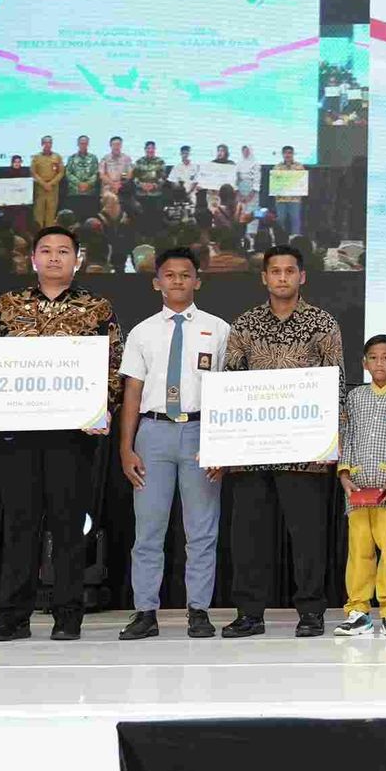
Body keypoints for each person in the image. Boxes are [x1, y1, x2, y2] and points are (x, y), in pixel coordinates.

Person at [0, 226, 122, 642]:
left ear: (77, 259)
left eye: (63, 251)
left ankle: (68, 615)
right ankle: (13, 617)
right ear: (33, 258)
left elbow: (114, 365)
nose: (54, 257)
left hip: (72, 434)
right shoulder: (7, 305)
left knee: (68, 525)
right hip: (16, 432)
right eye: (46, 250)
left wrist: (103, 409)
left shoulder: (97, 308)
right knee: (20, 525)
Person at [220, 245, 345, 639]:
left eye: (290, 271)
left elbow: (337, 385)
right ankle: (249, 614)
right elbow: (229, 386)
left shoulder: (322, 323)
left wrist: (333, 442)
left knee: (308, 537)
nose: (282, 278)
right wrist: (224, 444)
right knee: (248, 536)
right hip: (251, 449)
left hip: (305, 450)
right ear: (264, 277)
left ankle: (311, 612)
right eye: (275, 271)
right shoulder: (244, 324)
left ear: (301, 276)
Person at [116, 246, 230, 641]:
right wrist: (126, 447)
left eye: (185, 274)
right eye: (169, 274)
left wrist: (220, 444)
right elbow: (132, 392)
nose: (177, 280)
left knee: (201, 530)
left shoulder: (218, 329)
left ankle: (198, 610)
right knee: (149, 530)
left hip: (201, 432)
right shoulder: (142, 332)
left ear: (198, 281)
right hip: (153, 433)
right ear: (156, 282)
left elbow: (226, 390)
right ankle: (145, 611)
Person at [335, 335, 386, 637]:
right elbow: (347, 434)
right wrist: (344, 473)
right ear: (364, 363)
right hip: (357, 490)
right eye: (374, 358)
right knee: (359, 552)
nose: (380, 363)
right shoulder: (355, 397)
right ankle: (358, 611)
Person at [65, 135, 100, 221]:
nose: (83, 145)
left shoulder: (93, 158)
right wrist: (79, 184)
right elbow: (68, 173)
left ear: (88, 144)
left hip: (89, 192)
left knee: (88, 217)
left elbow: (96, 173)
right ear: (78, 144)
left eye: (85, 143)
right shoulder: (72, 158)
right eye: (81, 143)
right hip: (75, 191)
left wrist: (88, 184)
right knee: (75, 217)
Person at [31, 136, 63, 229]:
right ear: (42, 144)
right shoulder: (36, 157)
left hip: (52, 189)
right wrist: (43, 184)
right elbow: (33, 172)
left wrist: (51, 183)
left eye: (50, 143)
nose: (48, 145)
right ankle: (38, 233)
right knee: (38, 212)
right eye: (46, 143)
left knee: (51, 213)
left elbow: (61, 172)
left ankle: (49, 232)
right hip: (40, 188)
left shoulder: (57, 157)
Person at [273, 145, 305, 237]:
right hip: (281, 199)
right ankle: (280, 238)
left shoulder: (299, 167)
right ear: (282, 154)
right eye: (285, 153)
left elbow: (302, 182)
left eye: (290, 153)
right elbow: (275, 182)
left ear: (293, 154)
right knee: (280, 219)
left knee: (295, 219)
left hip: (294, 198)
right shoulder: (277, 167)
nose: (288, 155)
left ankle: (296, 239)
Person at [132, 141, 166, 222]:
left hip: (155, 193)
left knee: (155, 216)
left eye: (152, 148)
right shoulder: (139, 161)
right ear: (145, 149)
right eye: (148, 148)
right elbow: (135, 177)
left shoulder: (160, 162)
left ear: (155, 149)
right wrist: (141, 185)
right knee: (140, 216)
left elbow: (163, 177)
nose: (150, 150)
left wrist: (154, 185)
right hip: (141, 192)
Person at [236, 144, 261, 215]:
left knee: (251, 210)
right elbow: (236, 177)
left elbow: (257, 179)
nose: (245, 153)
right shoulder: (238, 163)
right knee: (240, 210)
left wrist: (251, 194)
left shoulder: (255, 163)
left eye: (247, 151)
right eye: (243, 151)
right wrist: (238, 193)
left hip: (251, 188)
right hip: (240, 187)